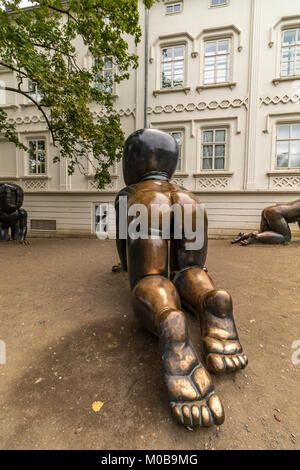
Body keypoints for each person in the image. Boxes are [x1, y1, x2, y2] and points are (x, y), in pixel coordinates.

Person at [114, 129, 247, 428]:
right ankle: (211, 299)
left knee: (151, 277)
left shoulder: (129, 196)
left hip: (147, 209)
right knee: (191, 271)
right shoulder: (189, 196)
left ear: (131, 163)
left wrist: (126, 265)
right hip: (191, 208)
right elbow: (195, 261)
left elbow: (123, 241)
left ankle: (169, 319)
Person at [232, 200, 300, 245]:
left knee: (266, 231)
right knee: (286, 237)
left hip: (268, 210)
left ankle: (245, 235)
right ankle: (256, 237)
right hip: (277, 213)